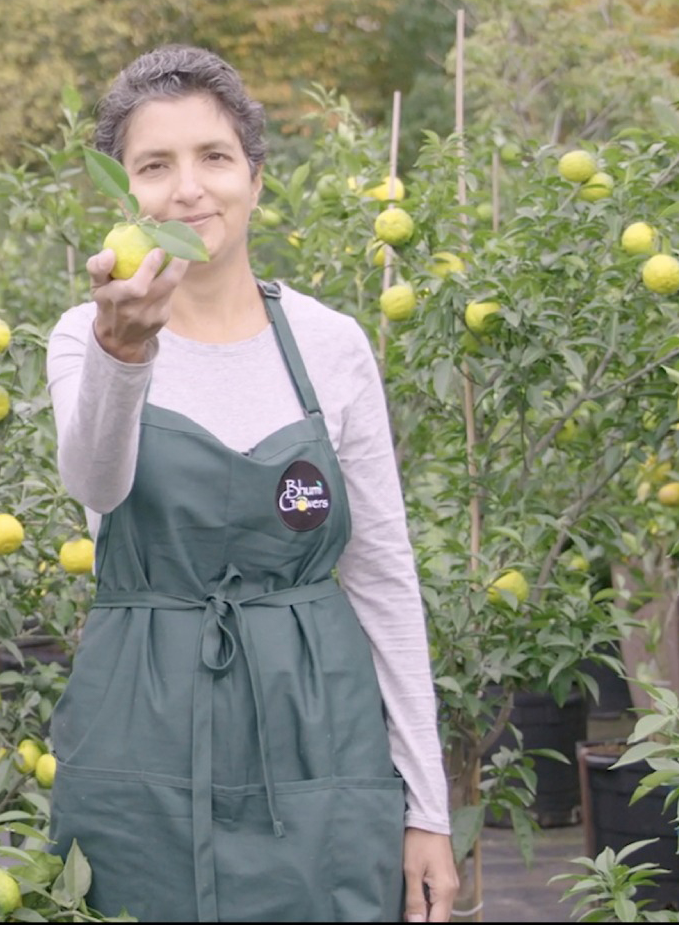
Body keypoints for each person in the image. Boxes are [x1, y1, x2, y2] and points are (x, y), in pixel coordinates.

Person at [43, 45, 457, 923]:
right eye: (155, 165)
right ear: (123, 194)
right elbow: (95, 488)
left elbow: (383, 577)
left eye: (214, 157)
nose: (188, 189)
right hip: (142, 716)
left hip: (314, 722)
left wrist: (428, 809)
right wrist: (126, 356)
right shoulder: (87, 334)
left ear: (255, 180)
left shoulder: (331, 343)